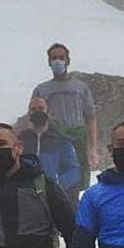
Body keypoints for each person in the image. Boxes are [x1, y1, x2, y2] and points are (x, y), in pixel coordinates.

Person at [32, 43, 98, 193]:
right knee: (55, 182)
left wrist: (92, 148)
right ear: (48, 62)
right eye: (53, 58)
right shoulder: (41, 89)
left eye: (61, 58)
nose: (57, 61)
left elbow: (91, 118)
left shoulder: (81, 87)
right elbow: (34, 117)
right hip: (53, 139)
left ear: (68, 61)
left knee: (80, 181)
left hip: (78, 137)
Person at [20, 97, 82, 203]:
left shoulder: (62, 140)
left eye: (41, 108)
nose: (37, 111)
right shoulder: (20, 140)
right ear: (29, 114)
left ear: (48, 112)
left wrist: (55, 185)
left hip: (54, 198)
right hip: (26, 197)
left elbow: (73, 170)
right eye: (34, 109)